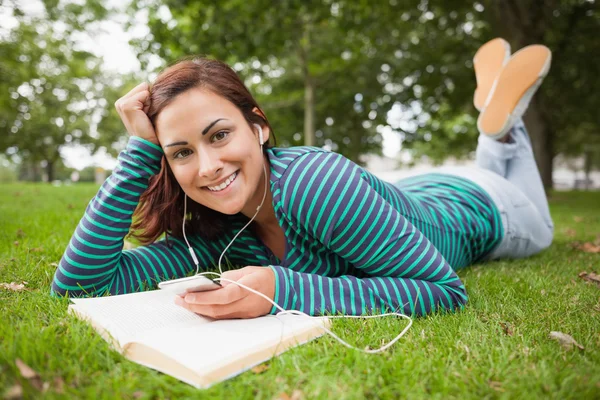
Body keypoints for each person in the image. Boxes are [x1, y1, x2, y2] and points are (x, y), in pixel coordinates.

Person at [51, 39, 554, 320]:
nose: (206, 168)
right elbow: (81, 287)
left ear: (260, 125)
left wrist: (281, 288)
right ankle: (495, 126)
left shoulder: (314, 182)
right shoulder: (212, 229)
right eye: (181, 152)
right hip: (420, 187)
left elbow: (444, 291)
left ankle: (501, 133)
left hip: (491, 208)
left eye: (220, 135)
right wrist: (140, 152)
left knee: (540, 222)